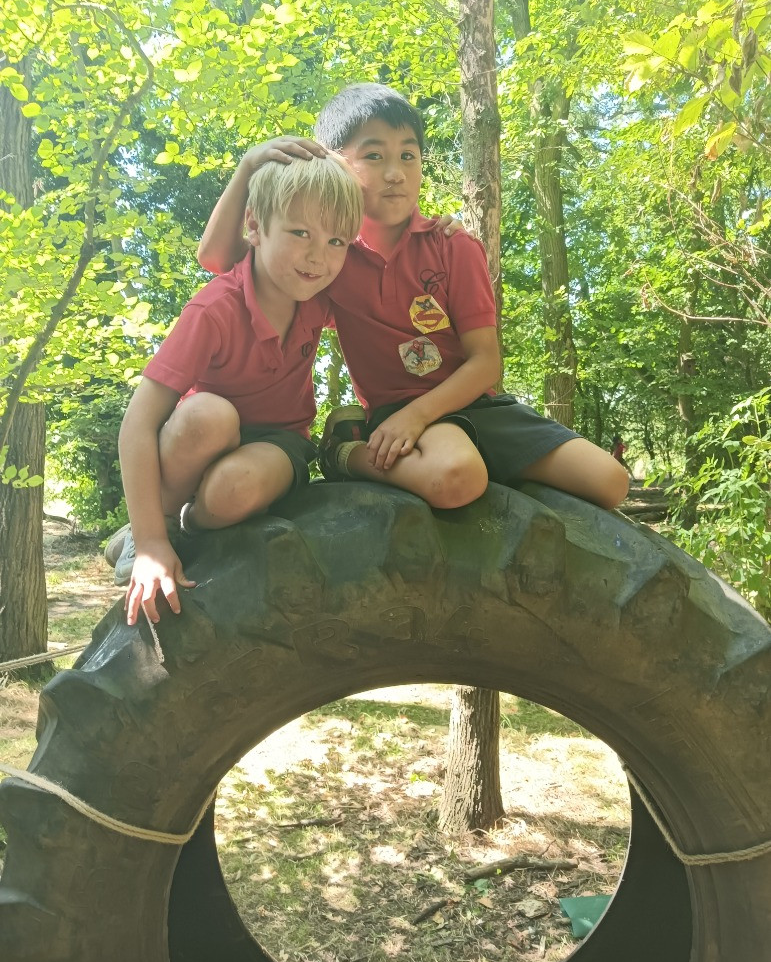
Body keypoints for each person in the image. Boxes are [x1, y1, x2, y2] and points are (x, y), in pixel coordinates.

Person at [199, 83, 629, 513]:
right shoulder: (329, 259)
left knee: (610, 482)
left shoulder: (453, 247)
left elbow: (486, 361)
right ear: (334, 163)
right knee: (457, 478)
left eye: (408, 155)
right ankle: (345, 452)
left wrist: (422, 413)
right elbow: (218, 259)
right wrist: (248, 167)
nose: (395, 173)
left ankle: (466, 455)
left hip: (476, 406)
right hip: (397, 412)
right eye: (374, 155)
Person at [113, 153, 363, 626]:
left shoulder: (320, 297)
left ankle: (189, 526)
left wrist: (436, 230)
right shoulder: (215, 310)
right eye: (300, 233)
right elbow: (138, 424)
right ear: (255, 225)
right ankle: (150, 527)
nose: (318, 256)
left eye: (336, 241)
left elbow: (391, 262)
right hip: (203, 439)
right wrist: (149, 543)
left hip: (278, 443)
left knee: (235, 489)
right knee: (208, 415)